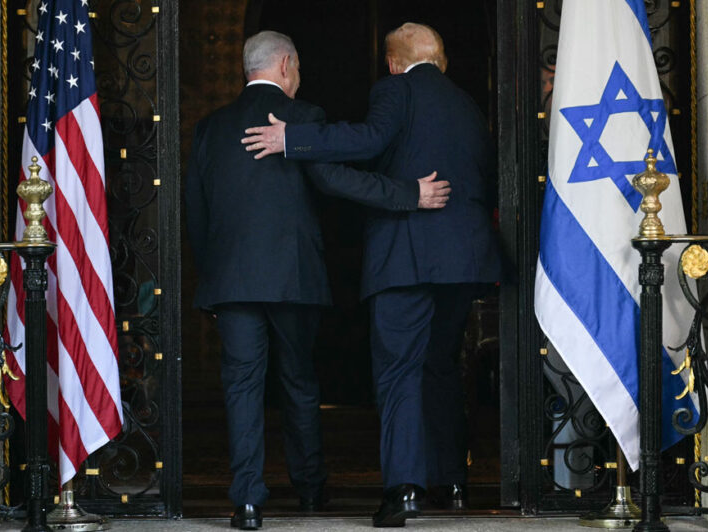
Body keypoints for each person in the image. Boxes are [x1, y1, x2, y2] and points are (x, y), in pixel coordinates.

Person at [185, 30, 451, 531]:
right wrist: (407, 194)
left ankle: (246, 502)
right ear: (286, 65)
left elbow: (195, 213)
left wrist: (213, 275)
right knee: (299, 383)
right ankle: (310, 489)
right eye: (300, 68)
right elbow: (334, 180)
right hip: (293, 278)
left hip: (231, 281)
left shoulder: (209, 127)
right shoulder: (302, 118)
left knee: (241, 387)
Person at [242, 22, 503, 527]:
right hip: (464, 260)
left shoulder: (396, 89)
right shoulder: (469, 105)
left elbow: (369, 139)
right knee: (441, 365)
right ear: (441, 58)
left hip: (407, 256)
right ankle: (451, 479)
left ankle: (403, 490)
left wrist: (293, 136)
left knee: (400, 370)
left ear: (391, 63)